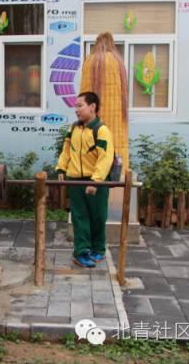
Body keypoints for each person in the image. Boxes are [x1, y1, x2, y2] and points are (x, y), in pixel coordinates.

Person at [56, 92, 114, 268]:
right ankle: (81, 252)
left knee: (98, 217)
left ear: (92, 107)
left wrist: (95, 181)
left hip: (96, 181)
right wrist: (61, 168)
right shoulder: (73, 128)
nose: (76, 110)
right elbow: (67, 150)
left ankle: (98, 249)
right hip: (75, 180)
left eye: (80, 105)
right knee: (79, 217)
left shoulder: (101, 130)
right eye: (75, 106)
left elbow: (105, 158)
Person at [80, 32, 129, 171]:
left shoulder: (89, 61)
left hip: (92, 120)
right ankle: (116, 170)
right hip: (116, 120)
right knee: (115, 143)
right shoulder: (117, 61)